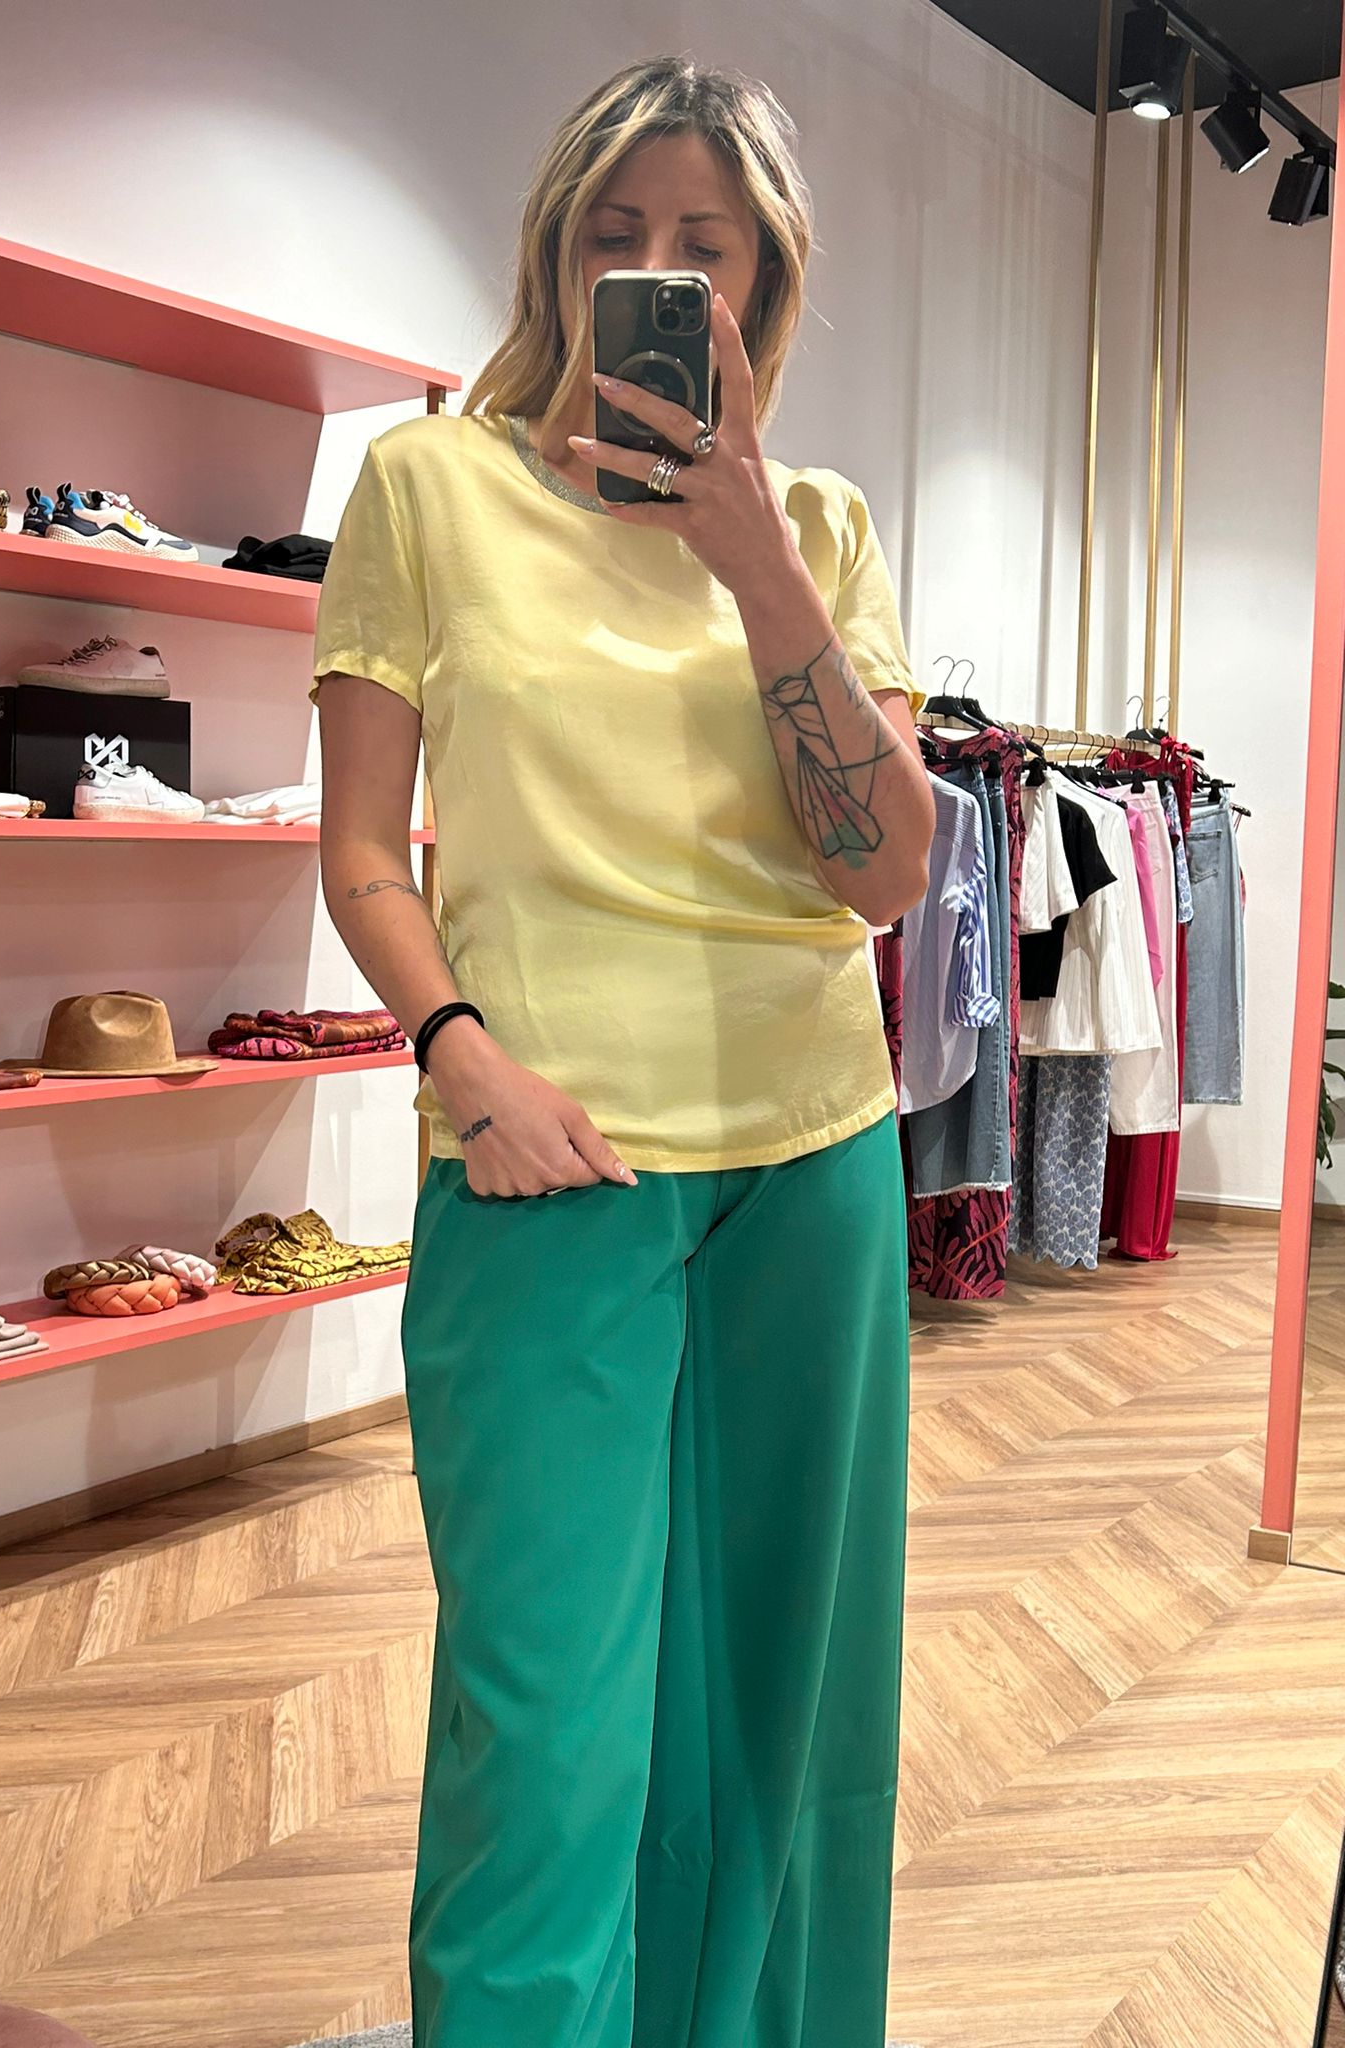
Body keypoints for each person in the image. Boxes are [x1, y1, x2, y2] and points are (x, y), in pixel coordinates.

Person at [312, 53, 935, 2048]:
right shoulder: (429, 485)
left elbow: (884, 874)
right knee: (546, 1726)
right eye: (617, 232)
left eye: (704, 244)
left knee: (785, 1709)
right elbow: (359, 849)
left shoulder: (820, 527)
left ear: (761, 287)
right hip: (545, 1162)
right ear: (556, 255)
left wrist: (755, 561)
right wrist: (461, 1057)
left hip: (811, 1161)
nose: (657, 269)